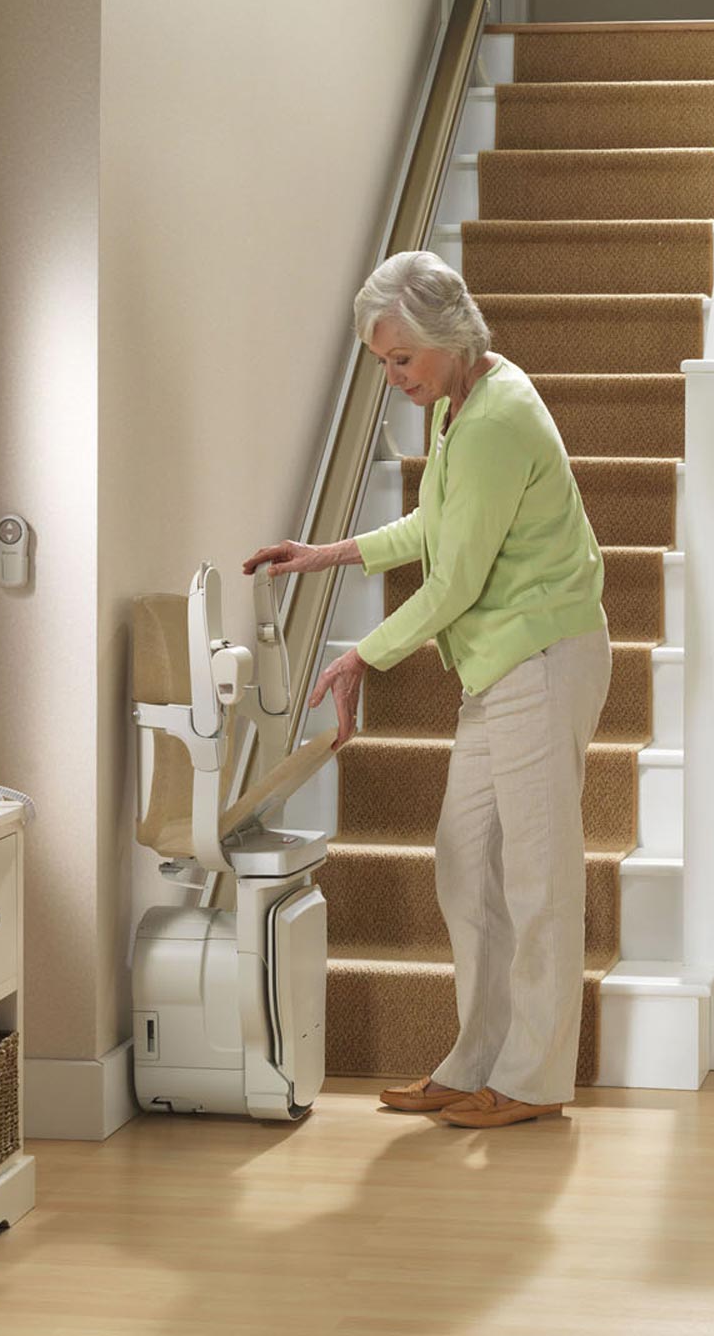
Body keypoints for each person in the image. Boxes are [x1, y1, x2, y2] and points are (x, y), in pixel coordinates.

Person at [244, 250, 610, 1129]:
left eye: (401, 358)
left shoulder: (493, 418)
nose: (393, 376)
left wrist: (361, 655)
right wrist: (322, 554)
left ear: (449, 337)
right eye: (382, 363)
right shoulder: (460, 404)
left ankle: (533, 1080)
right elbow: (434, 526)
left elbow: (453, 584)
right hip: (498, 668)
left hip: (542, 658)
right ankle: (477, 1058)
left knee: (536, 877)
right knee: (462, 860)